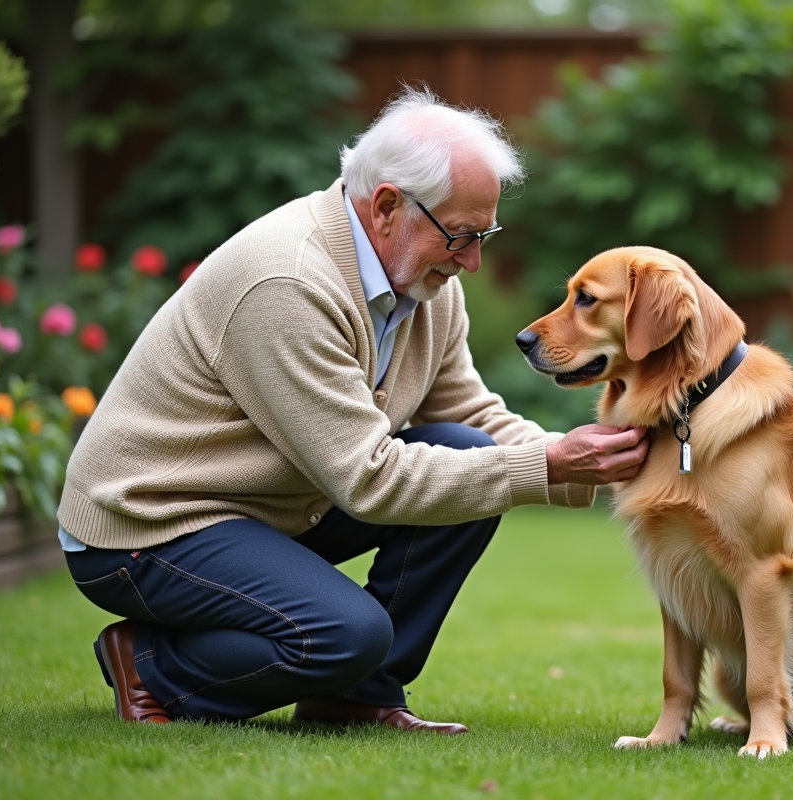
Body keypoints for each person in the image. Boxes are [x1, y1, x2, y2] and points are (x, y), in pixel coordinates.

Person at [57, 86, 648, 734]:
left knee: (475, 458)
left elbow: (469, 413)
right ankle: (152, 665)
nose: (473, 261)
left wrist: (582, 456)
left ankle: (356, 694)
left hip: (263, 505)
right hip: (147, 521)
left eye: (485, 235)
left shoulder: (424, 282)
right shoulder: (287, 282)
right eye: (461, 235)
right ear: (388, 205)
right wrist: (549, 465)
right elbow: (366, 477)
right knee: (344, 633)